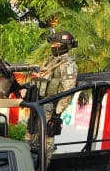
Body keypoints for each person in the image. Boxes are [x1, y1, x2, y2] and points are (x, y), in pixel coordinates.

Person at [25, 29, 79, 160]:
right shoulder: (50, 61)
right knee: (29, 136)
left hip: (50, 107)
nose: (52, 47)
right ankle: (27, 164)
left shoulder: (68, 65)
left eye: (55, 45)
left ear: (63, 45)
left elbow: (68, 91)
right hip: (38, 104)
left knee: (45, 141)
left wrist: (57, 113)